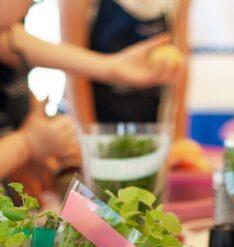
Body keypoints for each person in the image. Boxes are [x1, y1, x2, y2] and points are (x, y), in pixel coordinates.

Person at [0, 0, 183, 186]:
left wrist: (113, 67)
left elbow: (13, 39)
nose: (31, 1)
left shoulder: (8, 33)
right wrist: (27, 143)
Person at [60, 0, 190, 137]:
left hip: (150, 122)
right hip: (93, 119)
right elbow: (74, 72)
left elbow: (180, 65)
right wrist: (88, 141)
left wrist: (178, 138)